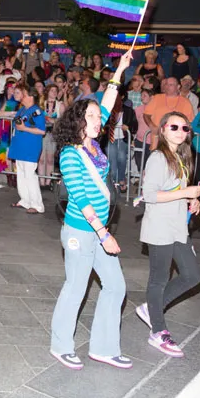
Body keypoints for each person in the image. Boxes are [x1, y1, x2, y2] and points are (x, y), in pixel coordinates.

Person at [50, 51, 134, 371]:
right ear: (79, 121)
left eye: (100, 117)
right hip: (81, 231)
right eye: (93, 117)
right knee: (76, 288)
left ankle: (103, 347)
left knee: (116, 286)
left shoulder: (95, 146)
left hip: (98, 231)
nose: (99, 121)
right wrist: (103, 233)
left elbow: (108, 102)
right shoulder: (71, 154)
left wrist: (120, 70)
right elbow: (81, 198)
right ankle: (61, 345)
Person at [135, 112, 200, 358]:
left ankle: (152, 308)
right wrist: (185, 192)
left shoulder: (181, 157)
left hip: (178, 226)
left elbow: (176, 191)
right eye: (174, 126)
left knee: (192, 276)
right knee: (159, 279)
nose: (180, 131)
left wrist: (191, 201)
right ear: (163, 129)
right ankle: (158, 331)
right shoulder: (158, 158)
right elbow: (150, 195)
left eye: (184, 128)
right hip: (160, 227)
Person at [9, 85, 46, 213]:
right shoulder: (22, 110)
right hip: (20, 146)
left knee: (30, 175)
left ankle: (37, 205)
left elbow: (42, 131)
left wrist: (25, 128)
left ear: (31, 97)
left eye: (24, 94)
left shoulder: (36, 111)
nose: (21, 97)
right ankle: (25, 200)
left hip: (30, 147)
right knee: (21, 174)